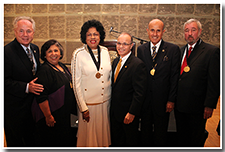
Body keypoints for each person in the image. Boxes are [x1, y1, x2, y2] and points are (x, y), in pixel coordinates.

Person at [175, 19, 220, 147]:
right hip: (180, 106)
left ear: (199, 32)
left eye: (193, 30)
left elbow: (214, 81)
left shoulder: (211, 51)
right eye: (187, 30)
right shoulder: (180, 51)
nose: (190, 33)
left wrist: (209, 105)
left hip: (198, 107)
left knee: (195, 139)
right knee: (182, 137)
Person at [137, 19, 180, 146]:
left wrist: (171, 100)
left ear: (163, 32)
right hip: (145, 101)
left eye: (158, 30)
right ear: (147, 31)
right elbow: (140, 76)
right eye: (152, 30)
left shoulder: (172, 49)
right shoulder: (141, 49)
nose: (155, 34)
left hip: (163, 101)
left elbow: (174, 76)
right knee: (145, 131)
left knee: (161, 133)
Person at [4, 16, 44, 146]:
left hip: (32, 108)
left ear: (33, 33)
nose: (25, 35)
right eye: (21, 31)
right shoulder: (6, 52)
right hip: (15, 110)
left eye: (29, 31)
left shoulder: (35, 49)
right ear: (15, 31)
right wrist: (26, 87)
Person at [71, 19, 111, 147]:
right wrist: (83, 108)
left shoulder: (105, 51)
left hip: (105, 103)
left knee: (102, 136)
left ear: (100, 36)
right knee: (89, 139)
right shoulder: (78, 54)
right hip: (89, 105)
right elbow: (76, 84)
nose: (93, 37)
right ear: (84, 36)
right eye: (89, 34)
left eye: (96, 34)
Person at [31, 39, 77, 146]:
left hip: (65, 115)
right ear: (45, 55)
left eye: (56, 51)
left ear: (60, 53)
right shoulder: (44, 70)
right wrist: (48, 116)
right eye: (50, 51)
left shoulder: (62, 66)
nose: (53, 54)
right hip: (53, 116)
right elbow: (41, 96)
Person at [110, 33, 147, 146]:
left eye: (125, 44)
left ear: (131, 46)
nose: (121, 46)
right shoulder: (116, 61)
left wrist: (132, 112)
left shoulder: (137, 64)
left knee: (130, 142)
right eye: (119, 43)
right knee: (116, 141)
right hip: (114, 114)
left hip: (128, 115)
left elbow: (139, 93)